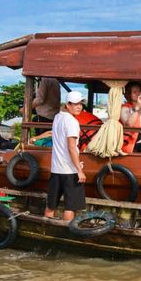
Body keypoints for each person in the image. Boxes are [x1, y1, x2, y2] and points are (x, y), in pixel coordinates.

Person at [44, 91, 87, 221]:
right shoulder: (72, 122)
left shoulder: (58, 117)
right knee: (70, 206)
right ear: (68, 105)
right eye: (75, 104)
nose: (79, 107)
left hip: (56, 169)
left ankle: (46, 229)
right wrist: (79, 170)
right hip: (69, 171)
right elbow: (71, 147)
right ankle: (66, 234)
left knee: (51, 204)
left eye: (80, 104)